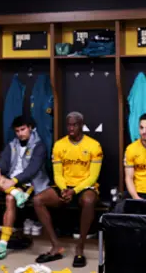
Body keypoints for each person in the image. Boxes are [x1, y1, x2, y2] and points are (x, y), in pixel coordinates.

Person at [32, 111, 103, 268]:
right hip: (64, 187)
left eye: (75, 125)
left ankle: (80, 247)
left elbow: (93, 177)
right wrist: (64, 189)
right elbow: (58, 174)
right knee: (38, 200)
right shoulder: (59, 145)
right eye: (69, 125)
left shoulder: (94, 146)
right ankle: (56, 245)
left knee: (89, 200)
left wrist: (74, 191)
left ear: (81, 125)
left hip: (85, 187)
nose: (71, 128)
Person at [0, 116, 50, 260]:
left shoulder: (39, 146)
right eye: (17, 131)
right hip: (10, 183)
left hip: (29, 184)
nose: (20, 133)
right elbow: (3, 161)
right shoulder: (12, 144)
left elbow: (32, 170)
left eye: (23, 129)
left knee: (9, 197)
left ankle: (3, 242)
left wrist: (14, 181)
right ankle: (16, 193)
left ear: (30, 127)